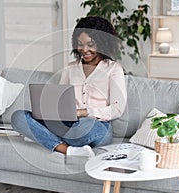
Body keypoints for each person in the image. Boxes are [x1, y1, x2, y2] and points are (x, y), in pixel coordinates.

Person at [11, 16, 127, 157]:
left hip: (97, 126)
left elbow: (117, 109)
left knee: (86, 127)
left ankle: (42, 136)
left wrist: (83, 112)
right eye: (80, 44)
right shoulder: (69, 68)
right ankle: (67, 149)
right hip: (67, 123)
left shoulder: (114, 69)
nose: (84, 50)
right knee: (18, 117)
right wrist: (51, 110)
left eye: (90, 44)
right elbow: (61, 101)